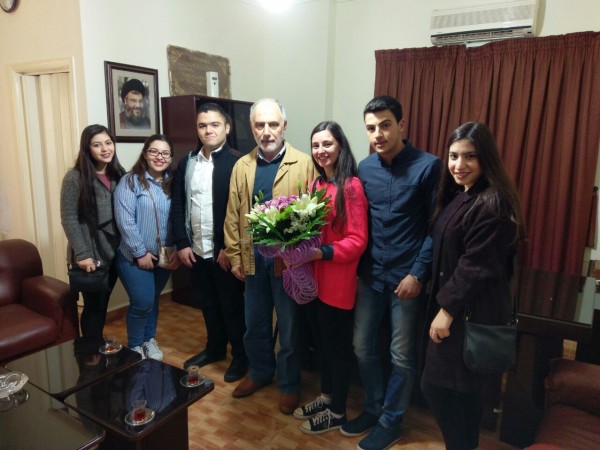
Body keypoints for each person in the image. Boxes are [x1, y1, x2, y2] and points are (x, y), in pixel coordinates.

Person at [341, 96, 442, 450]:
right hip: (370, 274)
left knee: (401, 354)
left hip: (405, 278)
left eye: (385, 125)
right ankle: (373, 407)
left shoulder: (429, 166)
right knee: (362, 346)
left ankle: (391, 420)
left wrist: (418, 274)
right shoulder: (365, 168)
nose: (378, 134)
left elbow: (435, 227)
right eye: (371, 128)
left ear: (401, 125)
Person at [421, 122, 525, 450]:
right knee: (460, 394)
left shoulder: (493, 202)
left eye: (470, 156)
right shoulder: (461, 194)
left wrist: (446, 309)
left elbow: (476, 265)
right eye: (453, 156)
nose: (459, 164)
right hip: (457, 309)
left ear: (485, 159)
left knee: (439, 389)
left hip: (468, 313)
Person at [224, 98, 317, 414]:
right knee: (255, 324)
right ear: (252, 128)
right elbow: (233, 214)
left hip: (286, 262)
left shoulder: (304, 163)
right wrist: (235, 256)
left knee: (289, 329)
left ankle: (289, 385)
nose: (266, 131)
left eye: (273, 124)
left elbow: (312, 214)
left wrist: (297, 253)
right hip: (253, 260)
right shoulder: (242, 165)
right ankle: (260, 372)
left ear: (284, 126)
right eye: (259, 125)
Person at [291, 121, 368, 434]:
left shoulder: (351, 186)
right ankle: (326, 396)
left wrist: (322, 252)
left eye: (327, 144)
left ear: (340, 146)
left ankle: (338, 412)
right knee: (321, 345)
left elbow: (358, 240)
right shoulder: (316, 185)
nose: (320, 150)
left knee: (336, 350)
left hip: (336, 281)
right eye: (316, 145)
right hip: (313, 280)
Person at [170, 103, 248, 383]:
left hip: (224, 252)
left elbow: (244, 211)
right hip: (195, 250)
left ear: (226, 127)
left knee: (232, 306)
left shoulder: (239, 163)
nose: (208, 130)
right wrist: (182, 243)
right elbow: (178, 204)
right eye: (202, 125)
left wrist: (230, 248)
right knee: (207, 302)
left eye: (214, 124)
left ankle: (241, 356)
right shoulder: (187, 163)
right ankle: (214, 348)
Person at [114, 134, 179, 360]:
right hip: (134, 256)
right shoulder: (130, 181)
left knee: (152, 300)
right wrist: (140, 252)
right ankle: (134, 346)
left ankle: (149, 340)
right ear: (145, 154)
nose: (159, 157)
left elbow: (179, 217)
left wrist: (176, 248)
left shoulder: (174, 182)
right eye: (154, 151)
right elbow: (125, 221)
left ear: (171, 157)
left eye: (165, 153)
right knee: (142, 301)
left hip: (165, 255)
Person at [60, 124, 125, 337]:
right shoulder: (75, 177)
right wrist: (83, 254)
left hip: (114, 249)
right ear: (87, 148)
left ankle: (95, 346)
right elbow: (69, 218)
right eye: (97, 145)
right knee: (94, 307)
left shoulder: (118, 174)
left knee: (103, 302)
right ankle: (90, 351)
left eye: (108, 143)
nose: (105, 149)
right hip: (90, 252)